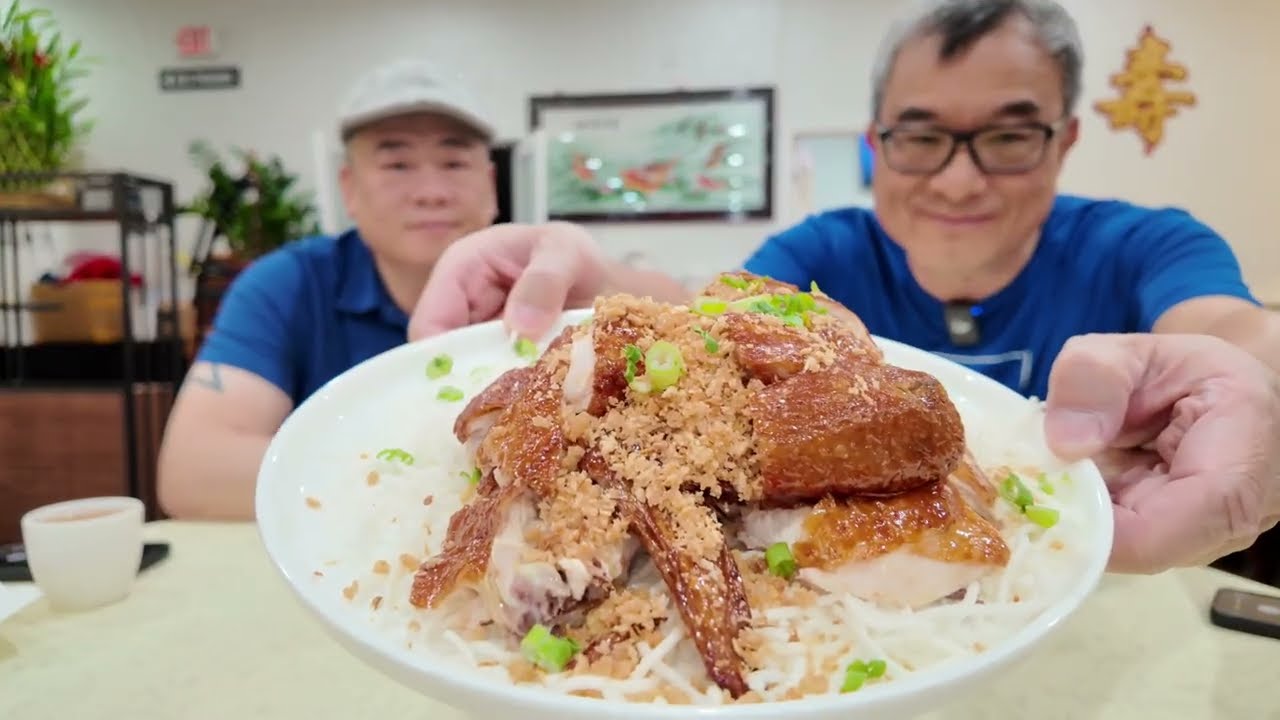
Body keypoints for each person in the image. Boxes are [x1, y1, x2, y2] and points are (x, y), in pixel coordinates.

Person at [406, 0, 1280, 574]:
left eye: (1009, 138)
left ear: (1067, 139)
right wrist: (600, 285)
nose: (959, 181)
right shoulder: (823, 254)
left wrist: (1256, 383)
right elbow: (703, 321)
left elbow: (1235, 332)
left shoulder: (1145, 246)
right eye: (921, 137)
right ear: (876, 139)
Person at [157, 59, 501, 520]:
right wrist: (421, 476)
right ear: (349, 188)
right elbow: (194, 473)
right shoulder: (285, 285)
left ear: (491, 185)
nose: (430, 192)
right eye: (397, 164)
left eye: (454, 162)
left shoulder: (542, 288)